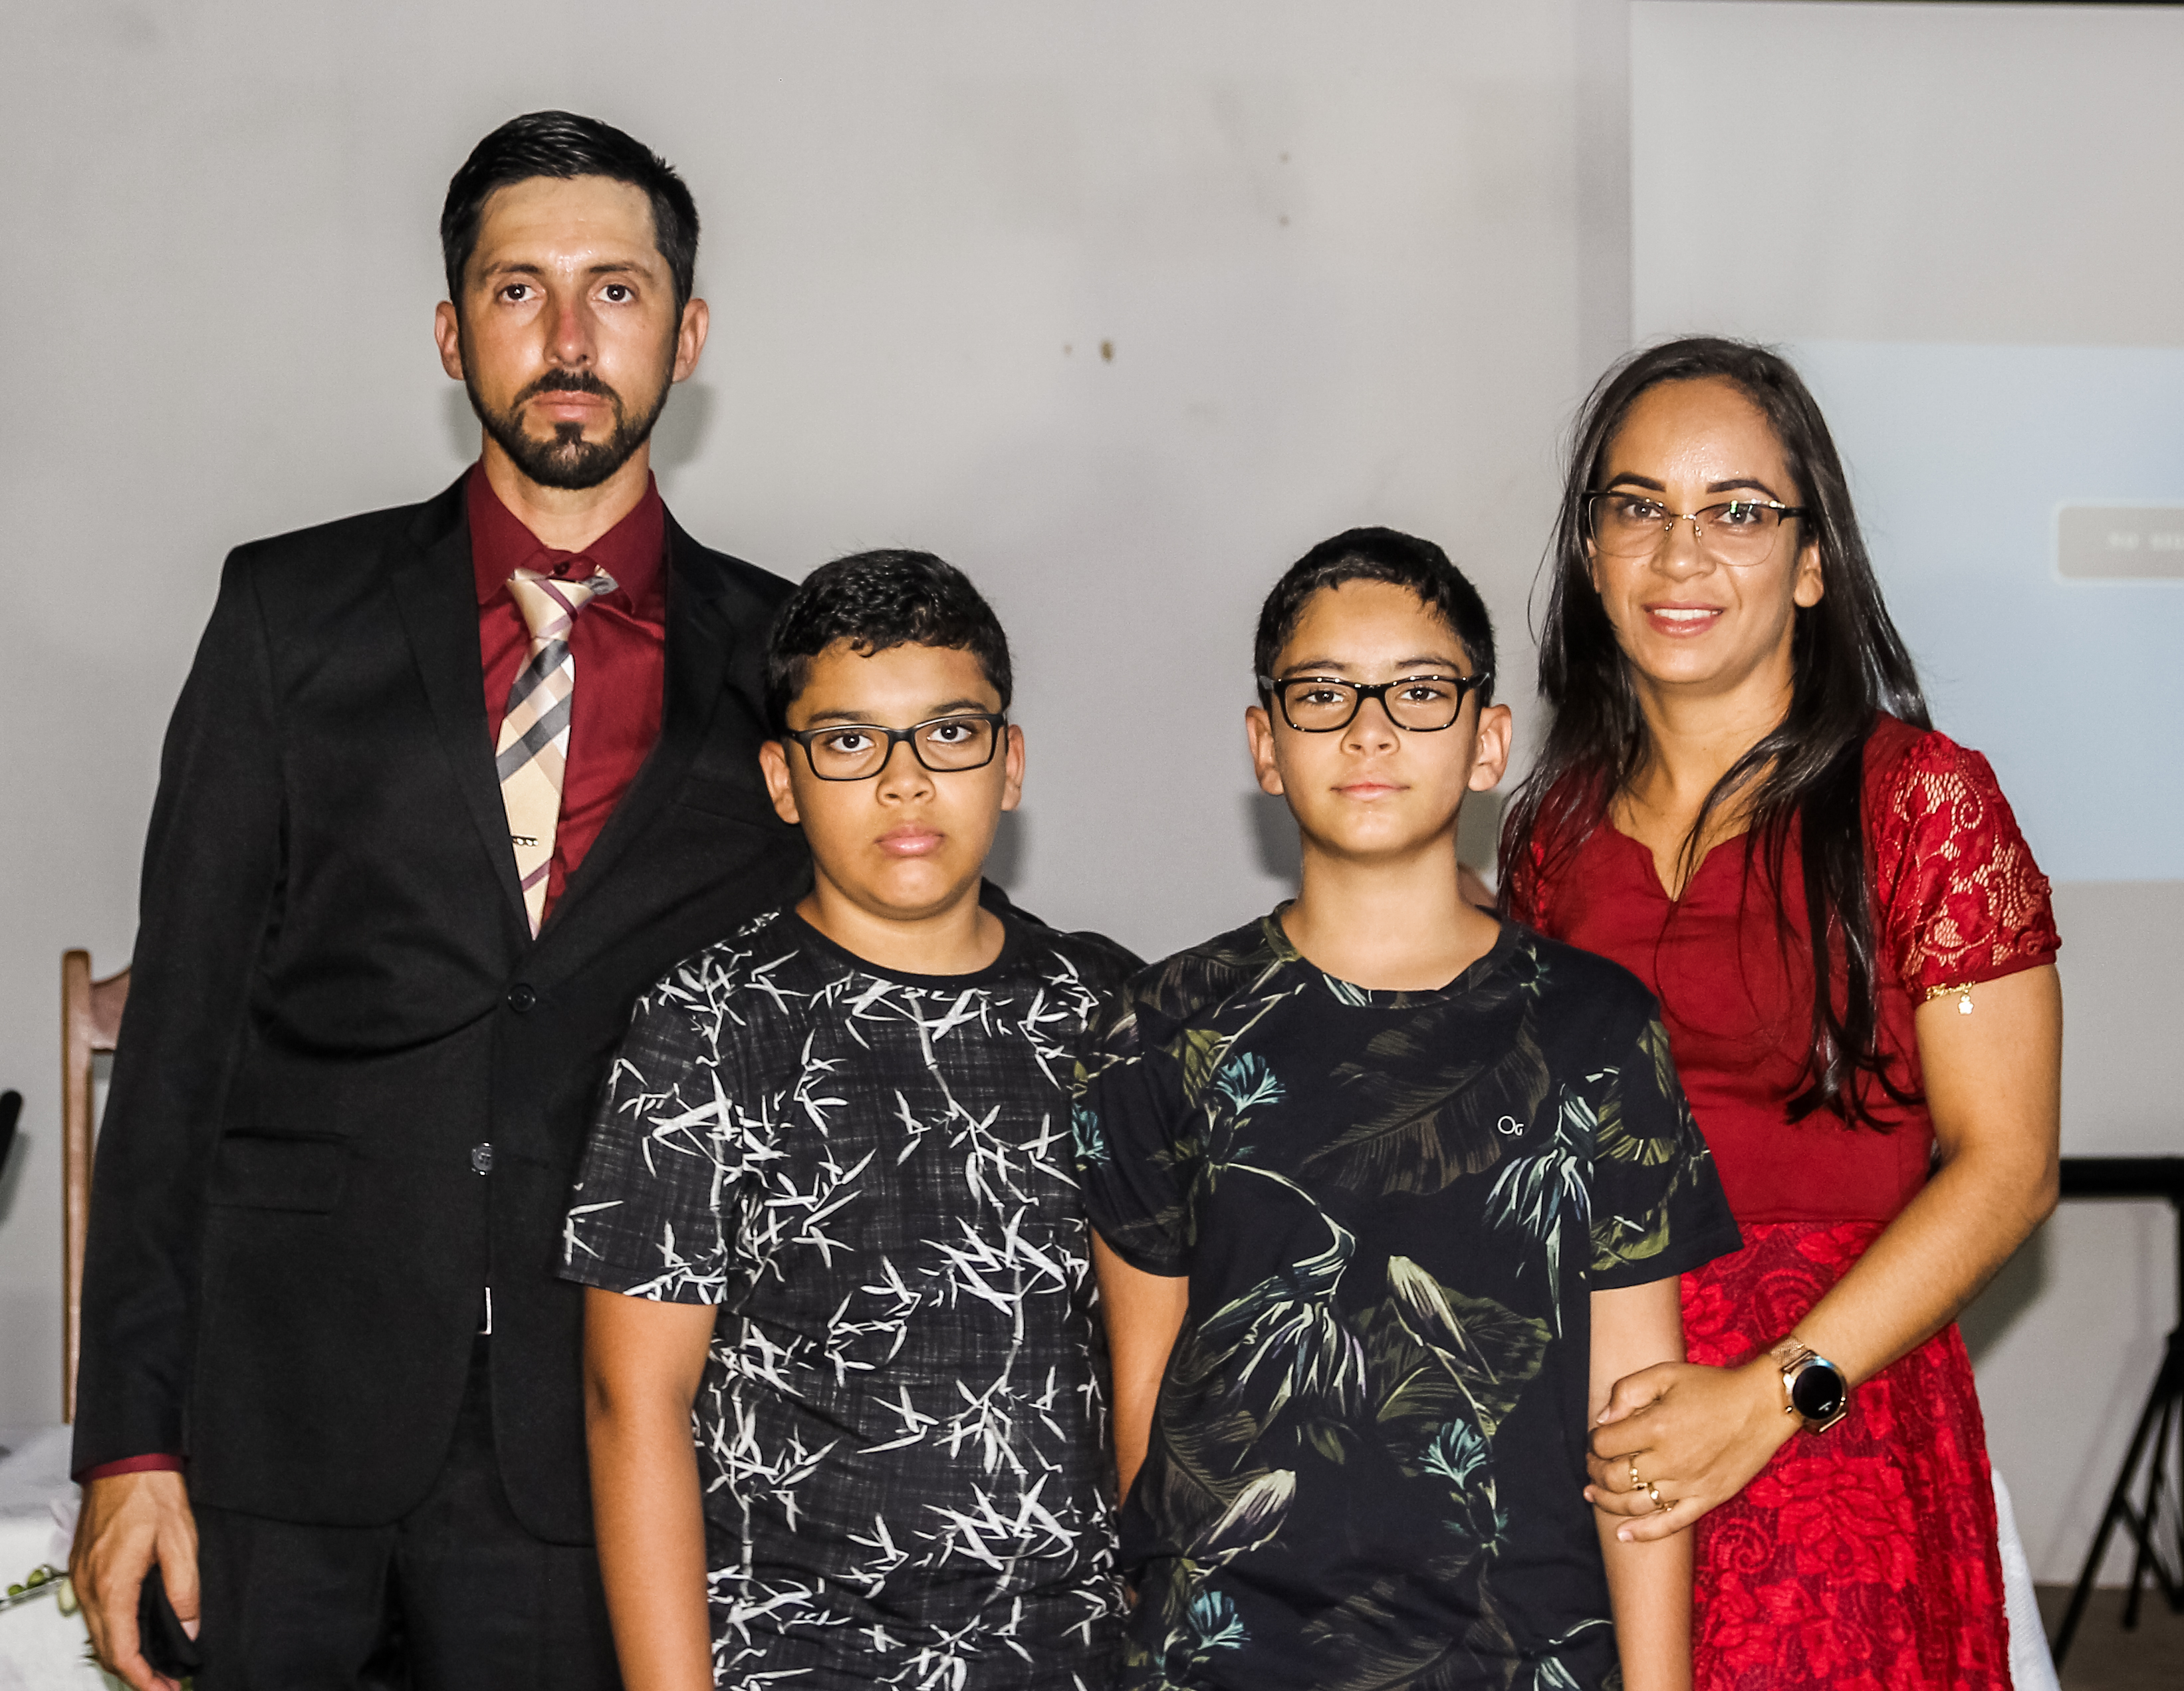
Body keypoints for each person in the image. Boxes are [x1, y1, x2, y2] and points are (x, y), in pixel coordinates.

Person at [68, 111, 809, 1691]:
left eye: (614, 291)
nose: (566, 338)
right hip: (279, 1418)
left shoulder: (787, 663)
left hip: (601, 1431)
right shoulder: (285, 612)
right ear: (450, 331)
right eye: (516, 289)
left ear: (686, 336)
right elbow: (180, 1041)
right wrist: (129, 1441)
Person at [1074, 528, 1742, 1691]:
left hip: (1521, 1649)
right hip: (1229, 1658)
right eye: (1322, 694)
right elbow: (1145, 1389)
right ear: (1265, 744)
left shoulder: (1593, 1028)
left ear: (1488, 742)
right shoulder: (1162, 1026)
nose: (1369, 730)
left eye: (1419, 692)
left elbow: (1634, 1416)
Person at [1500, 337, 2063, 1688]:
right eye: (1638, 508)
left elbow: (2009, 1166)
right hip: (1595, 1426)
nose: (1679, 555)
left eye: (1736, 512)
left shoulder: (1920, 801)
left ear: (1811, 564)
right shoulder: (1549, 834)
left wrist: (1769, 1399)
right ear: (1590, 553)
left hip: (1830, 1424)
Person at [562, 551, 1132, 1690]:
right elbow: (633, 1404)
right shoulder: (706, 1023)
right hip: (796, 1655)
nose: (905, 783)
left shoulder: (1109, 1012)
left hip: (1073, 1658)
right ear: (783, 780)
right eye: (849, 741)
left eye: (949, 734)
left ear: (1009, 763)